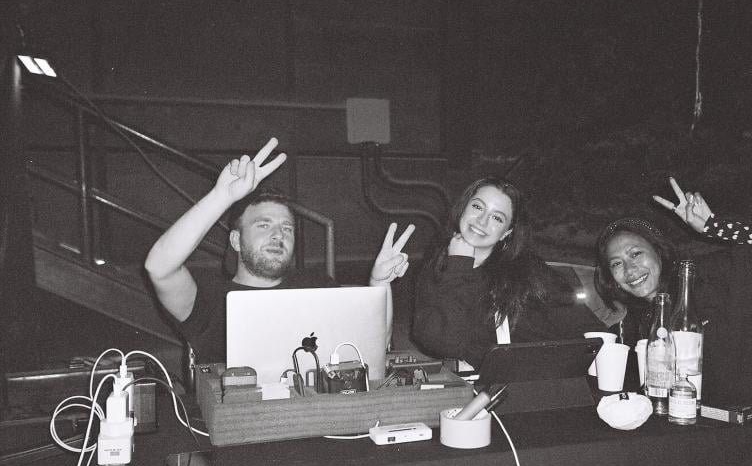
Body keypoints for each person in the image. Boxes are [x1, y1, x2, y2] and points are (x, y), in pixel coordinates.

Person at [144, 137, 414, 364]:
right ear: (236, 241)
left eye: (287, 228)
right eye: (264, 225)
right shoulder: (210, 299)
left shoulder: (317, 286)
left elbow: (375, 344)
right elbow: (159, 268)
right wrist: (222, 197)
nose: (278, 235)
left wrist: (380, 284)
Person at [594, 177, 752, 419]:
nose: (629, 270)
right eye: (617, 263)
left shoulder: (711, 276)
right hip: (712, 429)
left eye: (636, 253)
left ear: (658, 252)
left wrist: (718, 227)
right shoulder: (643, 321)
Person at [411, 176, 603, 368]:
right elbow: (441, 344)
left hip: (537, 382)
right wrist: (459, 265)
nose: (482, 221)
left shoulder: (529, 273)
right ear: (463, 209)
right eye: (477, 207)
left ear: (506, 232)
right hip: (479, 388)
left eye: (497, 217)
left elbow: (592, 332)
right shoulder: (438, 267)